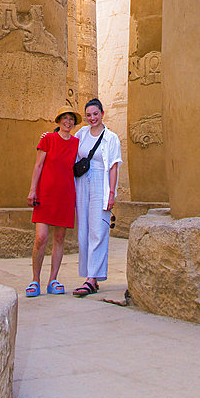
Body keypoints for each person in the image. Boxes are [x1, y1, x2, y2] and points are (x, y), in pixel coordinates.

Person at [25, 106, 81, 297]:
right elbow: (38, 165)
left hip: (65, 194)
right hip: (46, 193)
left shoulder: (76, 142)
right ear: (58, 121)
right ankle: (35, 281)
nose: (68, 121)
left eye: (71, 119)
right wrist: (33, 190)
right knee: (40, 238)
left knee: (59, 238)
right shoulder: (47, 139)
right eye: (65, 118)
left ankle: (53, 280)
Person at [73, 97, 122, 297]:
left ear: (102, 114)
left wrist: (111, 193)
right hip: (82, 183)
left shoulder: (111, 138)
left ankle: (92, 279)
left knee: (98, 229)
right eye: (89, 115)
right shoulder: (82, 134)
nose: (92, 118)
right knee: (84, 228)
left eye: (95, 114)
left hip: (101, 185)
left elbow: (113, 167)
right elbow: (68, 146)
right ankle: (88, 275)